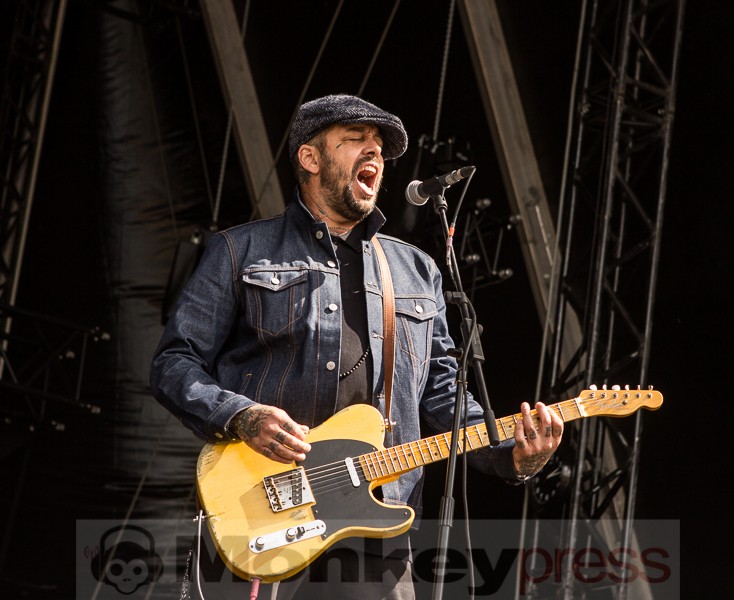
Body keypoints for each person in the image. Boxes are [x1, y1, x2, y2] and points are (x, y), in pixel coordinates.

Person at [150, 94, 563, 599]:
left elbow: (442, 396)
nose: (375, 153)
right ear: (310, 158)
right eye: (355, 141)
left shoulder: (416, 270)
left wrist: (511, 455)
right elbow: (174, 362)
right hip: (261, 512)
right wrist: (242, 417)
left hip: (375, 536)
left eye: (380, 147)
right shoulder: (241, 250)